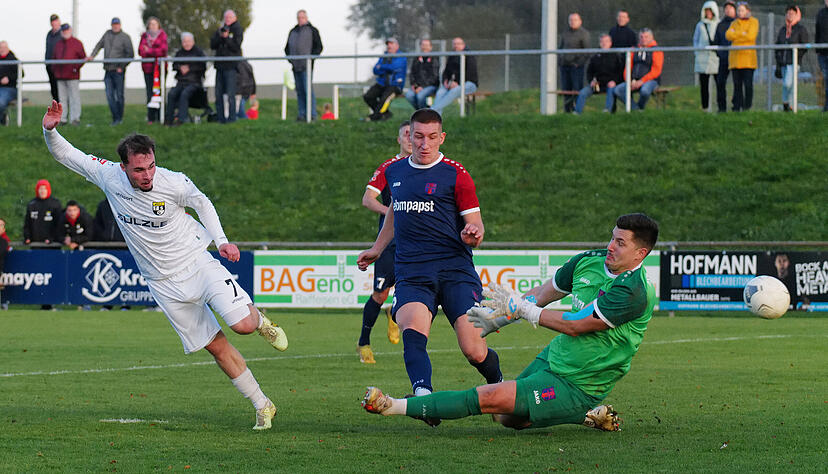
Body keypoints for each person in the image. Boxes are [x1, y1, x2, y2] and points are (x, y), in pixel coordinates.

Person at [41, 100, 289, 430]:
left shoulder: (172, 182)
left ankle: (260, 322)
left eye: (151, 167)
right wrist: (50, 130)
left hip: (197, 262)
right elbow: (66, 155)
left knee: (241, 325)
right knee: (215, 347)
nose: (147, 175)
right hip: (162, 283)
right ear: (124, 166)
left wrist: (222, 240)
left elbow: (202, 203)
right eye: (139, 170)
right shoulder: (107, 176)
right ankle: (262, 404)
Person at [362, 213, 659, 433]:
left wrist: (526, 311)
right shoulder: (588, 261)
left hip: (581, 382)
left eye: (620, 243)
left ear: (640, 253)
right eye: (611, 237)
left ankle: (393, 406)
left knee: (489, 396)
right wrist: (496, 319)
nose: (610, 246)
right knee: (506, 418)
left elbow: (576, 325)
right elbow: (541, 294)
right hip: (553, 360)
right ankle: (586, 415)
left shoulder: (634, 291)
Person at [357, 109, 502, 412]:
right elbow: (396, 213)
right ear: (409, 136)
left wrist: (474, 233)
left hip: (455, 270)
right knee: (412, 329)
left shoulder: (456, 175)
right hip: (412, 271)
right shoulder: (395, 171)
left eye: (432, 137)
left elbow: (476, 225)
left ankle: (499, 387)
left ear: (442, 138)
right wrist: (377, 248)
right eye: (418, 136)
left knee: (473, 349)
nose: (425, 144)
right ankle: (424, 400)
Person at [356, 121, 410, 364]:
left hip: (416, 244)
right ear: (399, 139)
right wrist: (392, 212)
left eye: (415, 134)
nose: (412, 139)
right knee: (380, 294)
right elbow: (368, 199)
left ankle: (395, 314)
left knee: (410, 293)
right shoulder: (389, 167)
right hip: (389, 244)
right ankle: (364, 343)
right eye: (407, 134)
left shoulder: (426, 168)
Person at [88, 17, 134, 125]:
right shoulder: (107, 34)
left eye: (117, 24)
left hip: (118, 72)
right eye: (114, 24)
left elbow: (130, 54)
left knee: (119, 95)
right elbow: (99, 45)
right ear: (111, 25)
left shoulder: (125, 37)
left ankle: (119, 119)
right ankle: (115, 118)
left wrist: (121, 66)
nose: (115, 26)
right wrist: (92, 55)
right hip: (108, 70)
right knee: (109, 95)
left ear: (120, 25)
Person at [284, 9, 323, 122]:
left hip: (307, 67)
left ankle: (312, 114)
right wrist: (291, 59)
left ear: (306, 18)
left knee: (308, 90)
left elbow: (318, 47)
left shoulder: (312, 30)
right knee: (300, 91)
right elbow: (287, 48)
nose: (300, 19)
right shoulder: (293, 32)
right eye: (298, 17)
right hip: (296, 66)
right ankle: (302, 114)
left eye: (302, 17)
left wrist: (311, 58)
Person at [612, 29, 663, 110]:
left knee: (645, 91)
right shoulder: (634, 49)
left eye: (646, 37)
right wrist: (629, 81)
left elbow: (656, 70)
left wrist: (642, 81)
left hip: (650, 81)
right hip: (634, 81)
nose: (643, 39)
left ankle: (639, 108)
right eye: (641, 37)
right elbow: (628, 67)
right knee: (618, 90)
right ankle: (636, 110)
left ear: (651, 37)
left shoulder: (656, 50)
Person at [574, 34, 623, 114]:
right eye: (602, 41)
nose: (604, 43)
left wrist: (614, 81)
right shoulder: (595, 57)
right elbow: (589, 72)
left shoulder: (615, 56)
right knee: (583, 92)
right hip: (597, 85)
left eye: (606, 41)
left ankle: (607, 111)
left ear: (610, 43)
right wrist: (591, 81)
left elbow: (620, 71)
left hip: (610, 84)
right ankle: (577, 112)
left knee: (611, 90)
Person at [165, 32, 206, 126]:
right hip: (181, 82)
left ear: (193, 41)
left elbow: (202, 67)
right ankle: (169, 119)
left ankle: (181, 119)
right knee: (171, 94)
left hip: (194, 83)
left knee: (184, 94)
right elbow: (174, 66)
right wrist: (180, 67)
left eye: (188, 41)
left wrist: (189, 68)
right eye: (184, 41)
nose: (186, 43)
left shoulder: (199, 53)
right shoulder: (179, 53)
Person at [211, 9, 244, 124]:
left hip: (231, 67)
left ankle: (232, 118)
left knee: (231, 94)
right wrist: (221, 36)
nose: (227, 19)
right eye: (226, 17)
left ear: (235, 18)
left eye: (230, 17)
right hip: (219, 66)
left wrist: (227, 38)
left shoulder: (238, 29)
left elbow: (236, 46)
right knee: (218, 94)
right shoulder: (220, 29)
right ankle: (221, 119)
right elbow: (212, 45)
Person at [431, 37, 478, 114]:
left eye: (458, 44)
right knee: (440, 92)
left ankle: (432, 111)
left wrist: (458, 83)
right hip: (452, 84)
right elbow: (446, 71)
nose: (456, 46)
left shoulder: (469, 56)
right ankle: (435, 119)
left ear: (463, 45)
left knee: (454, 91)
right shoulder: (452, 56)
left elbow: (470, 74)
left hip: (469, 84)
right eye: (454, 44)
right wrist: (445, 81)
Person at [726, 2, 759, 112]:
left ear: (747, 11)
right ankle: (737, 107)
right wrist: (742, 34)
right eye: (739, 10)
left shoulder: (754, 22)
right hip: (735, 60)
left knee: (748, 85)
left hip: (748, 60)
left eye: (742, 10)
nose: (740, 12)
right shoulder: (734, 23)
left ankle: (747, 106)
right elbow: (728, 35)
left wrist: (736, 35)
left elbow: (751, 36)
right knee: (737, 86)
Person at [363, 38, 406, 121]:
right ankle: (385, 114)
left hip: (395, 85)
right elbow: (375, 70)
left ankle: (374, 118)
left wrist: (382, 67)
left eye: (391, 43)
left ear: (397, 46)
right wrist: (386, 68)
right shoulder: (384, 56)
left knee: (384, 99)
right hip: (382, 84)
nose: (389, 46)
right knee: (368, 96)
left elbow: (395, 67)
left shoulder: (401, 56)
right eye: (388, 44)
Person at [776, 5, 808, 112]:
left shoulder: (800, 29)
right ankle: (787, 105)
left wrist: (796, 56)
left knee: (788, 83)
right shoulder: (783, 29)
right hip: (783, 63)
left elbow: (804, 46)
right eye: (788, 13)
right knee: (787, 84)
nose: (790, 15)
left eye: (792, 13)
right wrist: (779, 59)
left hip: (793, 62)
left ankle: (788, 103)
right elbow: (778, 45)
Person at [53, 24, 86, 126]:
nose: (65, 32)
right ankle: (63, 119)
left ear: (70, 30)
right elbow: (53, 58)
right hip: (60, 76)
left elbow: (83, 58)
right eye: (63, 30)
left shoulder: (77, 43)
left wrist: (75, 68)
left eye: (67, 30)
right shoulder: (58, 44)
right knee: (62, 99)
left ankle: (75, 118)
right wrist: (55, 71)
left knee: (74, 97)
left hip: (72, 76)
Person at [138, 17, 168, 124]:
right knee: (149, 93)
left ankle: (161, 116)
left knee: (159, 92)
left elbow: (163, 50)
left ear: (158, 25)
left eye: (155, 24)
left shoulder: (163, 35)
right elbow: (141, 50)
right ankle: (151, 118)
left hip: (160, 69)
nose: (153, 26)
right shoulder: (144, 36)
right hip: (147, 69)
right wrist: (153, 51)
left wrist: (149, 50)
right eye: (151, 24)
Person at [559, 13, 591, 113]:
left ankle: (577, 110)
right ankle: (567, 110)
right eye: (571, 20)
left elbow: (586, 52)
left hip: (577, 67)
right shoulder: (565, 33)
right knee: (566, 89)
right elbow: (560, 47)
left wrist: (578, 63)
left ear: (580, 21)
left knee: (577, 89)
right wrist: (560, 61)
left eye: (575, 20)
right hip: (565, 66)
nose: (572, 22)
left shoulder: (584, 34)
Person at [693, 2, 720, 111]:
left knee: (719, 84)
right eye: (706, 11)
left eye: (710, 11)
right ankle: (705, 108)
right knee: (704, 85)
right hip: (702, 59)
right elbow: (695, 39)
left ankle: (720, 107)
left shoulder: (718, 24)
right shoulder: (700, 25)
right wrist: (697, 52)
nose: (708, 13)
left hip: (715, 58)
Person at [713, 1, 737, 113]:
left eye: (730, 8)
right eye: (726, 8)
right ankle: (721, 108)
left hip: (736, 59)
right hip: (724, 59)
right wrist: (720, 53)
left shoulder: (738, 23)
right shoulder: (720, 25)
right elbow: (716, 41)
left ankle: (736, 106)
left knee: (738, 83)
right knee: (720, 82)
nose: (728, 10)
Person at [24, 179, 62, 245]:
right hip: (35, 243)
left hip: (52, 244)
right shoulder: (32, 204)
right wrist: (27, 237)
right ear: (37, 190)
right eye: (40, 189)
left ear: (48, 189)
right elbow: (27, 223)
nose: (42, 191)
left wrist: (52, 238)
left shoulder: (55, 203)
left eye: (45, 189)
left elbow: (59, 224)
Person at [405, 39, 439, 109]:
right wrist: (415, 85)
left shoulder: (434, 58)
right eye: (423, 45)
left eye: (426, 45)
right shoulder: (417, 58)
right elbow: (412, 74)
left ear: (431, 47)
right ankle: (424, 112)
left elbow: (434, 76)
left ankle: (423, 115)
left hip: (431, 86)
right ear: (420, 46)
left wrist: (422, 87)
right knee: (409, 95)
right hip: (417, 86)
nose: (424, 47)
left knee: (420, 96)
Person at [0, 41, 20, 126]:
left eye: (4, 47)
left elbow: (21, 74)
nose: (2, 49)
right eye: (1, 47)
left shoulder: (13, 59)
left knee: (1, 102)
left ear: (8, 48)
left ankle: (2, 118)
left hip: (9, 88)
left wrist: (9, 78)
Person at [45, 14, 62, 102]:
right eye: (52, 21)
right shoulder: (49, 34)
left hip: (59, 67)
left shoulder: (63, 33)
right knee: (54, 91)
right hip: (50, 66)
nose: (54, 23)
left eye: (55, 21)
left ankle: (63, 113)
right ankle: (57, 112)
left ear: (59, 22)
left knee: (61, 91)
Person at [817, 0, 828, 111]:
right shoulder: (820, 13)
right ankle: (826, 106)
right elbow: (818, 31)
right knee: (826, 80)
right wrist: (818, 49)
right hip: (823, 53)